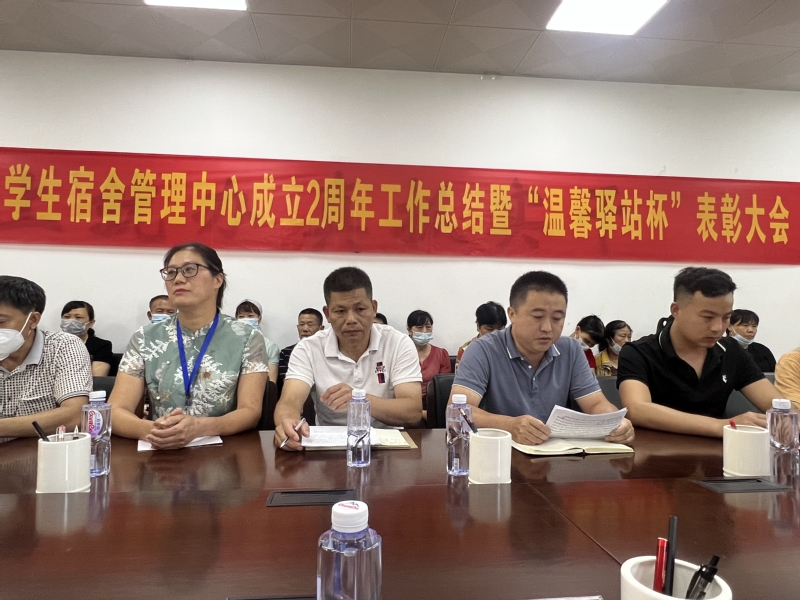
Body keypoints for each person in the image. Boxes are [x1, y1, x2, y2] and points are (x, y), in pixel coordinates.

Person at [109, 242, 269, 450]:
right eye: (171, 272)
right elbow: (115, 410)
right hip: (160, 452)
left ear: (217, 280)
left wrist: (200, 428)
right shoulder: (145, 338)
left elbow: (250, 411)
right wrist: (156, 430)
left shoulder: (247, 337)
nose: (178, 279)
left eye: (189, 270)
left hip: (223, 453)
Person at [449, 271, 633, 446]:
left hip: (555, 455)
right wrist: (509, 425)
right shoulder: (482, 350)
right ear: (512, 314)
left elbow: (595, 403)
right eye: (537, 317)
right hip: (499, 454)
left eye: (557, 318)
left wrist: (615, 422)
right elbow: (458, 412)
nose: (547, 327)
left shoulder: (571, 350)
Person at [618, 267, 779, 437]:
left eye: (726, 318)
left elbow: (777, 406)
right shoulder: (638, 352)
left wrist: (787, 421)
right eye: (707, 317)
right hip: (655, 450)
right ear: (676, 310)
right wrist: (721, 426)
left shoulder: (731, 351)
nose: (718, 328)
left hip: (719, 451)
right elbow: (637, 410)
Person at [274, 267, 423, 450]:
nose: (351, 319)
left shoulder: (398, 343)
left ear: (374, 308)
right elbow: (289, 402)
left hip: (388, 446)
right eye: (340, 311)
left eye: (360, 309)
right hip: (329, 448)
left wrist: (360, 400)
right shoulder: (308, 348)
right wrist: (286, 424)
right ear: (327, 314)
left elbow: (412, 411)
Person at [0, 276, 91, 441]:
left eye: (1, 321)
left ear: (33, 320)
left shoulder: (62, 347)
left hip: (39, 453)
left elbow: (74, 415)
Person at [60, 300, 115, 377]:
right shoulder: (52, 345)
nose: (71, 321)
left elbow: (97, 377)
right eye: (67, 317)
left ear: (91, 323)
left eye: (78, 317)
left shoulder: (102, 346)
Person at [406, 309, 451, 403]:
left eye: (428, 327)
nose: (424, 331)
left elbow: (443, 386)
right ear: (409, 330)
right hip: (407, 402)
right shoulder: (402, 353)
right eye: (419, 327)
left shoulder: (441, 354)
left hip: (434, 403)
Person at [278, 308, 325, 392]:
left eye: (310, 325)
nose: (305, 329)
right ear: (297, 327)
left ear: (321, 328)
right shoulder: (286, 352)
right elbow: (288, 384)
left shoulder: (328, 352)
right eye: (302, 324)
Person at [235, 299, 280, 383]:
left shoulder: (270, 346)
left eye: (250, 316)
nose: (245, 319)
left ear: (259, 319)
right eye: (241, 316)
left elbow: (271, 381)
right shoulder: (229, 344)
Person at [455, 301, 507, 370]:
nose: (495, 334)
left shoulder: (509, 348)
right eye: (489, 329)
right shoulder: (465, 350)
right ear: (478, 326)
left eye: (500, 329)